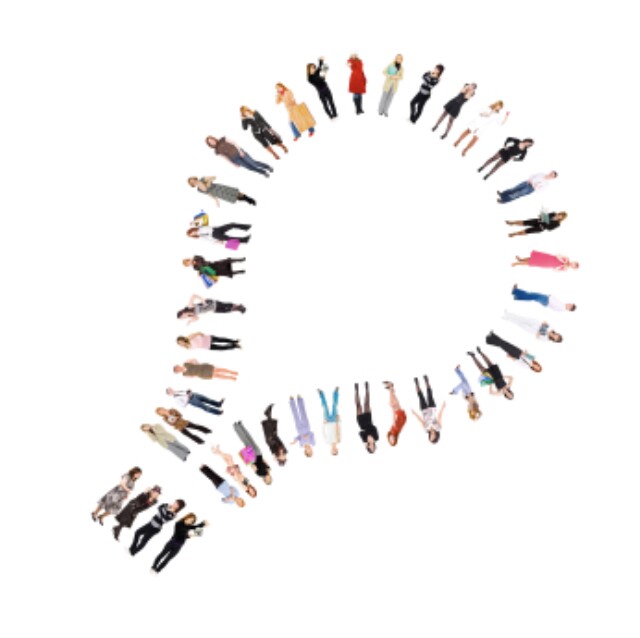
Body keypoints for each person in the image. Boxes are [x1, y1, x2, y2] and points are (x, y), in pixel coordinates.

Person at [205, 136, 273, 177]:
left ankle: (267, 167)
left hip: (239, 153)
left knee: (253, 163)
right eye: (210, 142)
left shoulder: (223, 139)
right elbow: (225, 158)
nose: (211, 142)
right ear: (210, 145)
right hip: (235, 159)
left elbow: (234, 143)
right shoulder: (217, 151)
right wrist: (233, 164)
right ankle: (263, 172)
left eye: (211, 140)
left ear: (213, 139)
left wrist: (240, 151)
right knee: (250, 167)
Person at [411, 376, 446, 442]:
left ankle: (416, 383)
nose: (432, 436)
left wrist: (414, 413)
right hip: (432, 409)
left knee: (420, 396)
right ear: (436, 437)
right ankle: (426, 381)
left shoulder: (426, 429)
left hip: (424, 411)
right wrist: (443, 407)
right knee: (429, 393)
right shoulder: (438, 428)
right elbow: (439, 416)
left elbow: (421, 421)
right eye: (433, 437)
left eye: (430, 438)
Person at [186, 176, 256, 206]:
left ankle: (249, 199)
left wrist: (209, 181)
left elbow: (214, 177)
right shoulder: (199, 190)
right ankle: (246, 200)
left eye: (193, 180)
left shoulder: (202, 179)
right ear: (192, 185)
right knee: (234, 198)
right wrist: (215, 200)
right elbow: (208, 193)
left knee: (237, 193)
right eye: (192, 182)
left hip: (219, 188)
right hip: (218, 194)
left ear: (194, 178)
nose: (194, 182)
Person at [177, 294, 246, 324]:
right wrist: (190, 321)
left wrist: (202, 300)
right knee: (226, 310)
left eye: (182, 317)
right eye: (183, 318)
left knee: (226, 305)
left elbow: (194, 295)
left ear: (182, 313)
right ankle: (239, 309)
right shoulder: (191, 315)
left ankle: (239, 306)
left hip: (210, 303)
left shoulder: (189, 306)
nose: (184, 318)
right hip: (212, 309)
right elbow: (197, 318)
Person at [511, 284, 576, 311]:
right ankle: (517, 297)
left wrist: (550, 297)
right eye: (570, 303)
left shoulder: (562, 307)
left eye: (570, 305)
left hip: (546, 300)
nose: (569, 303)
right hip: (546, 300)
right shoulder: (562, 306)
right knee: (531, 297)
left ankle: (515, 291)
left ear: (569, 308)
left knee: (531, 295)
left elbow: (554, 304)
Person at [354, 382, 379, 453]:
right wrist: (369, 433)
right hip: (368, 420)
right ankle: (367, 388)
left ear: (368, 448)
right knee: (367, 403)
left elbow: (360, 432)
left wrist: (366, 440)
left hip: (361, 422)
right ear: (375, 447)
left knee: (358, 405)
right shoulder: (376, 438)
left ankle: (356, 390)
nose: (372, 447)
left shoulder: (364, 440)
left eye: (370, 449)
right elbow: (374, 428)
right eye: (373, 449)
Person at [318, 387, 340, 455]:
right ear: (337, 449)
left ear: (331, 450)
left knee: (325, 407)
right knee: (335, 405)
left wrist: (324, 423)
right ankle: (336, 392)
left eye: (333, 451)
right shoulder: (338, 440)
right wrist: (338, 420)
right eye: (335, 451)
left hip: (327, 421)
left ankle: (321, 393)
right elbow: (339, 430)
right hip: (334, 420)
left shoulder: (327, 442)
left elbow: (323, 432)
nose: (334, 450)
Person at [384, 381, 407, 446]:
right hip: (400, 418)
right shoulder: (394, 432)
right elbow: (394, 421)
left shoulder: (395, 433)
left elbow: (396, 423)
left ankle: (391, 389)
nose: (392, 439)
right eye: (393, 440)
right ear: (395, 439)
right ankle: (390, 387)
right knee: (392, 404)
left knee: (395, 403)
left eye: (391, 441)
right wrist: (393, 411)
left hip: (402, 419)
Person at [186, 223, 251, 245]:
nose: (193, 233)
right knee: (230, 239)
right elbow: (208, 239)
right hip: (215, 235)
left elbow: (200, 222)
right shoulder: (200, 235)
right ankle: (245, 240)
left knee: (231, 224)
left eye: (192, 232)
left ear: (192, 230)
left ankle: (246, 227)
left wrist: (193, 223)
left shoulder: (199, 227)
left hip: (217, 229)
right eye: (192, 235)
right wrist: (217, 242)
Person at [173, 360, 238, 381]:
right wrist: (196, 373)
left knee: (218, 369)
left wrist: (197, 364)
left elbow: (194, 359)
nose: (178, 369)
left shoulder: (185, 363)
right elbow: (192, 376)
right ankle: (231, 378)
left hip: (203, 367)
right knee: (217, 376)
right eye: (177, 371)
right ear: (178, 372)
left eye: (177, 368)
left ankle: (232, 372)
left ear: (178, 365)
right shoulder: (184, 375)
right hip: (201, 374)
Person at [512, 251, 579, 271]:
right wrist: (564, 261)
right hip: (549, 258)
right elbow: (558, 255)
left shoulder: (565, 269)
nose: (572, 264)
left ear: (572, 268)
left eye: (573, 266)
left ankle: (516, 264)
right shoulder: (567, 258)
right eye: (574, 263)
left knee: (532, 262)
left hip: (547, 264)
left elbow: (555, 270)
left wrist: (562, 265)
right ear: (574, 261)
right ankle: (521, 259)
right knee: (534, 258)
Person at [177, 332, 241, 352]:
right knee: (221, 348)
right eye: (180, 343)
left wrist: (203, 335)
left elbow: (197, 333)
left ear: (182, 339)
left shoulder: (188, 338)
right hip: (206, 346)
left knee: (221, 340)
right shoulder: (187, 348)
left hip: (207, 339)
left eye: (180, 341)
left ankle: (234, 341)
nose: (181, 343)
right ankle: (235, 346)